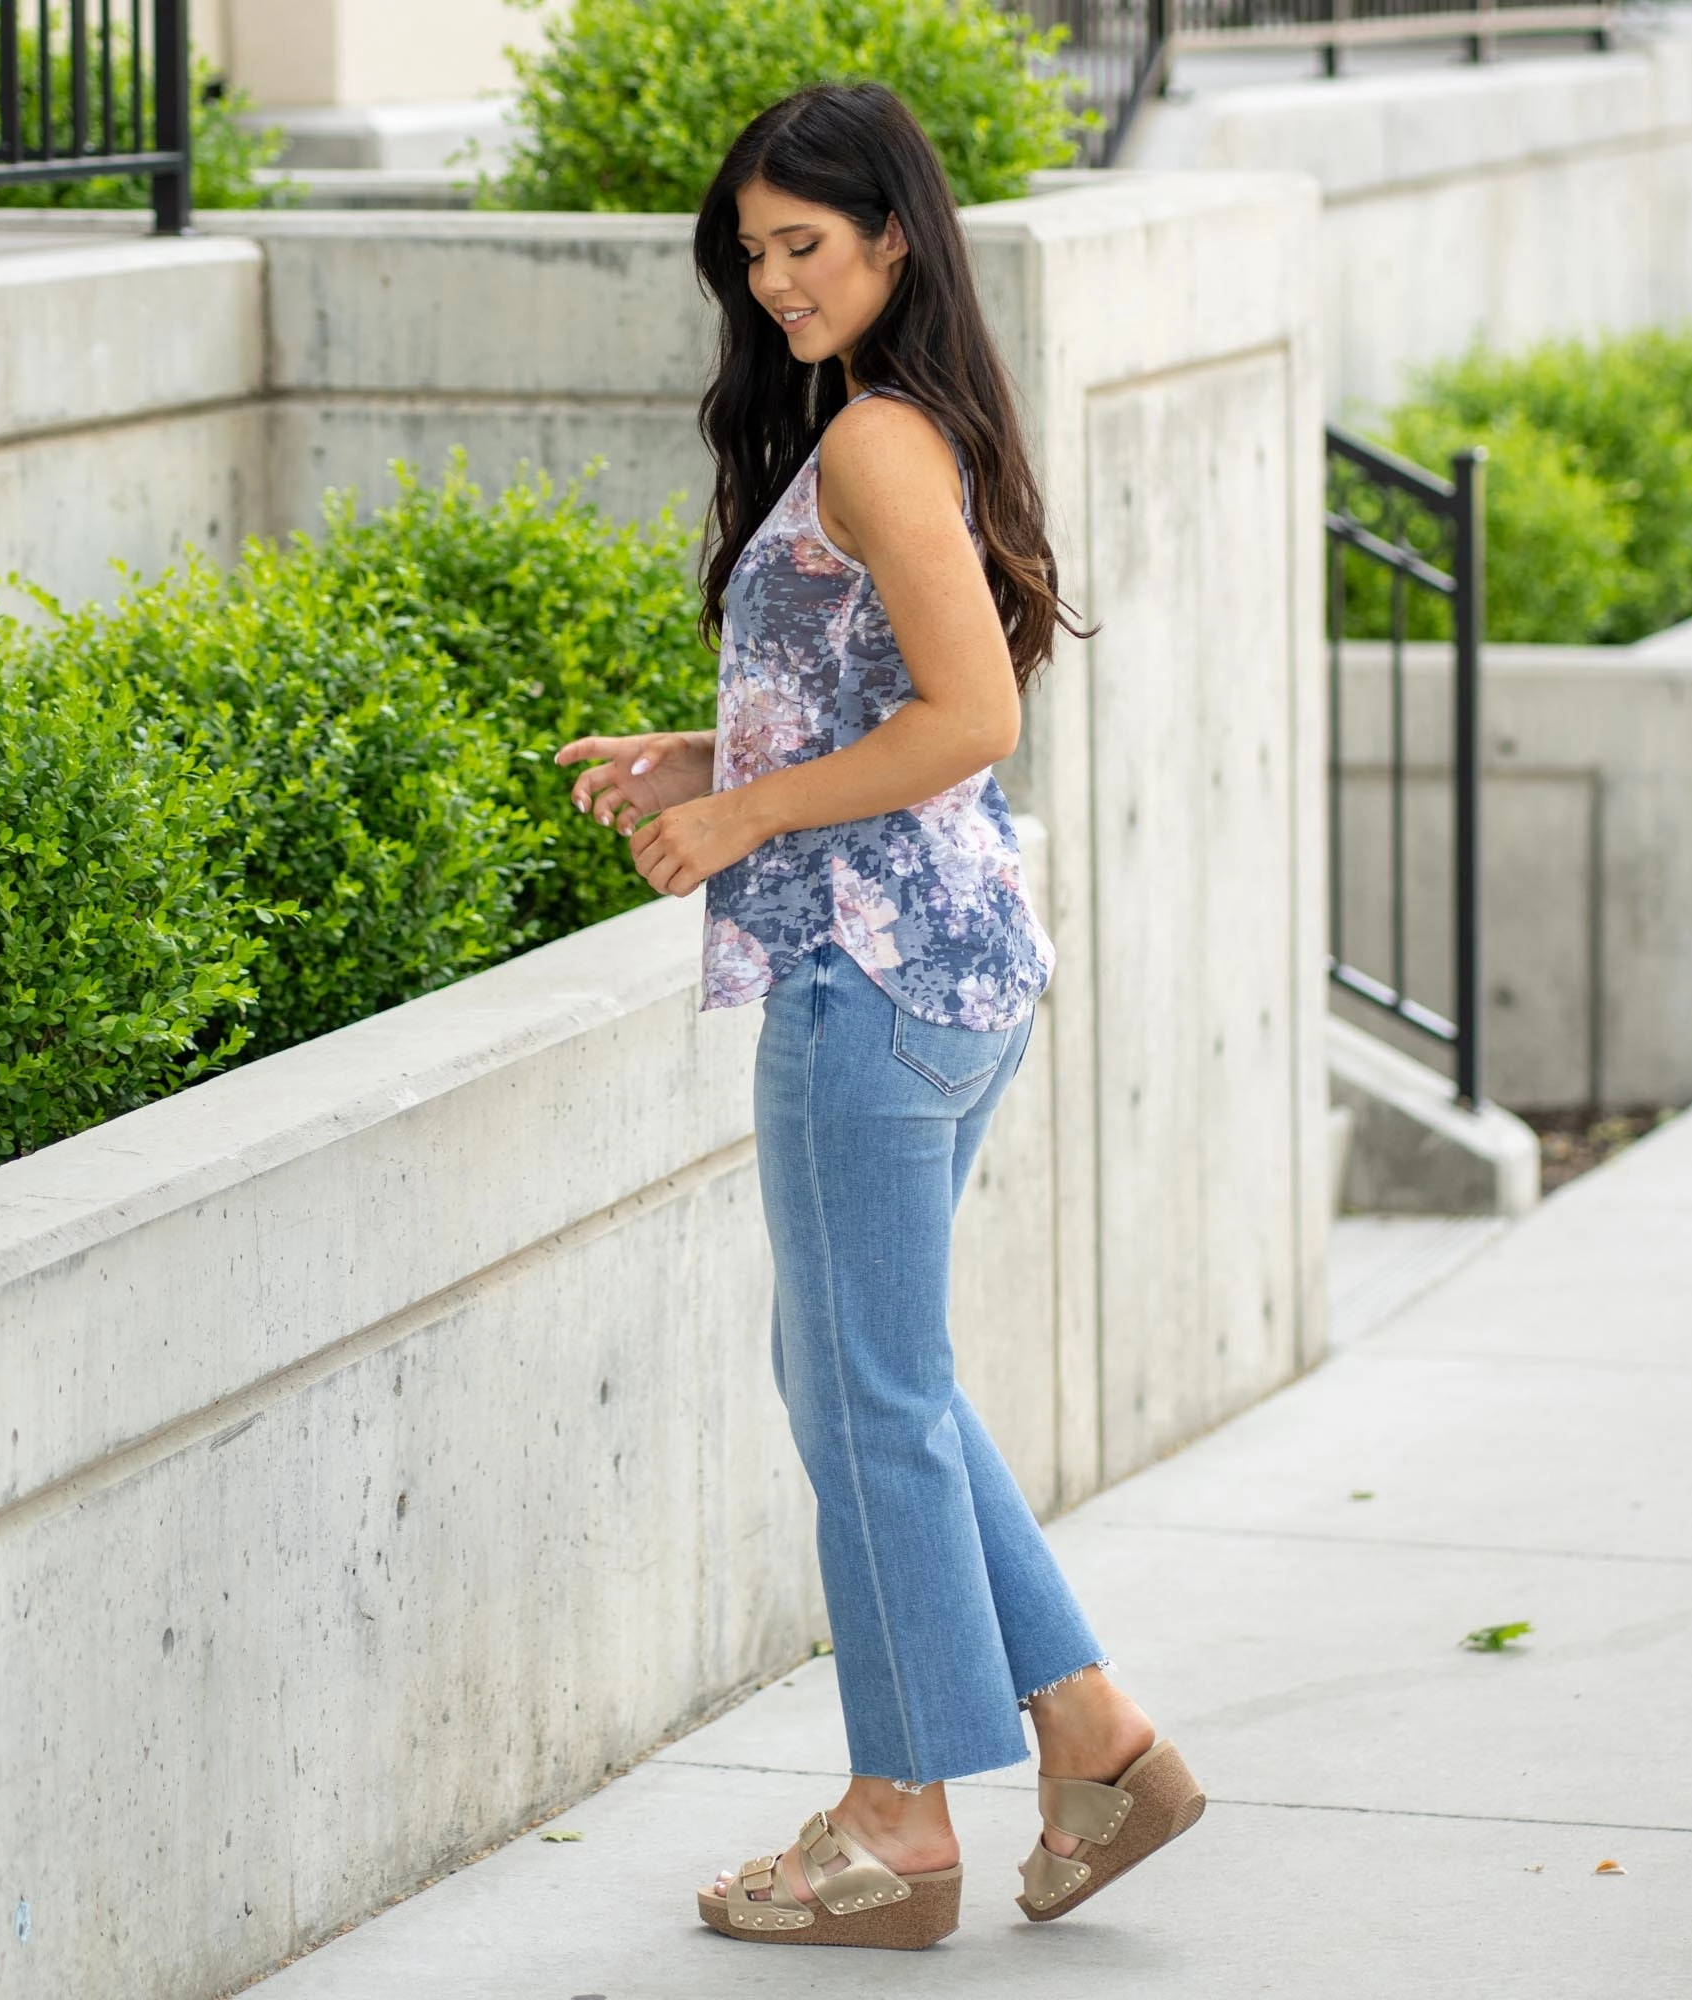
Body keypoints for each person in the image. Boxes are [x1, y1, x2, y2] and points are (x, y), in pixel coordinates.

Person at [554, 82, 1202, 1951]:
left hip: (872, 976)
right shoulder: (894, 428)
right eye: (750, 255)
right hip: (939, 961)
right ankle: (1097, 1742)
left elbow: (972, 724)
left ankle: (897, 1822)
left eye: (804, 246)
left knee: (866, 1394)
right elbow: (887, 703)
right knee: (875, 1386)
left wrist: (741, 813)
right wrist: (707, 749)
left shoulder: (882, 448)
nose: (770, 284)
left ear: (894, 234)